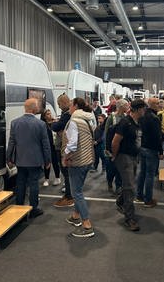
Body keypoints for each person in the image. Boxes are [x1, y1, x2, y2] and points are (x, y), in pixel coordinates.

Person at [6, 98, 51, 218]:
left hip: (20, 160)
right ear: (33, 108)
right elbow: (45, 144)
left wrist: (9, 158)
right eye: (37, 106)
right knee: (34, 184)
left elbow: (11, 143)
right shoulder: (41, 124)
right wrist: (48, 160)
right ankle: (33, 208)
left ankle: (19, 207)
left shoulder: (15, 123)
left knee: (20, 183)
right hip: (35, 160)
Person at [62, 97, 96, 238]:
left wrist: (65, 156)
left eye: (70, 105)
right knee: (78, 190)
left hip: (77, 162)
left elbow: (73, 144)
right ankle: (75, 216)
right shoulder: (87, 120)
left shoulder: (74, 122)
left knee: (77, 193)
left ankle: (87, 225)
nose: (69, 107)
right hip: (87, 159)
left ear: (75, 106)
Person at [112, 99, 146, 231]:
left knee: (130, 185)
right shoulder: (125, 122)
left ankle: (121, 201)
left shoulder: (137, 122)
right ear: (137, 109)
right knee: (130, 187)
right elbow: (115, 141)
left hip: (133, 157)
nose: (144, 111)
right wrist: (115, 156)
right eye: (143, 108)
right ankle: (129, 218)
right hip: (124, 157)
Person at [137, 97, 164, 208]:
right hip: (151, 150)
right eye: (157, 103)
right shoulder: (154, 118)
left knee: (142, 173)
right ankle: (148, 200)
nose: (160, 105)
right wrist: (161, 151)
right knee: (149, 175)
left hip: (142, 148)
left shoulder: (142, 116)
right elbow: (157, 137)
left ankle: (139, 196)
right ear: (151, 105)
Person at [51, 94, 74, 207]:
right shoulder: (69, 114)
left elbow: (57, 127)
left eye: (59, 104)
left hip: (63, 146)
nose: (59, 107)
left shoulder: (67, 115)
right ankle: (69, 194)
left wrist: (53, 123)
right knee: (67, 173)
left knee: (66, 172)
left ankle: (69, 197)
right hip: (66, 146)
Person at [104, 99, 129, 194]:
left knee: (120, 169)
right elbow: (106, 134)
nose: (128, 107)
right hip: (111, 148)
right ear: (121, 107)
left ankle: (118, 186)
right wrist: (107, 149)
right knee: (111, 169)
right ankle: (110, 183)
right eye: (126, 105)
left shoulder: (126, 117)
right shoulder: (111, 117)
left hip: (122, 148)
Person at [41, 109, 61, 186]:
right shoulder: (43, 124)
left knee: (55, 162)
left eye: (50, 113)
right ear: (44, 116)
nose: (49, 115)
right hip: (47, 146)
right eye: (47, 114)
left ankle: (57, 177)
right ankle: (46, 179)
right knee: (47, 162)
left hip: (54, 145)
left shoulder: (55, 123)